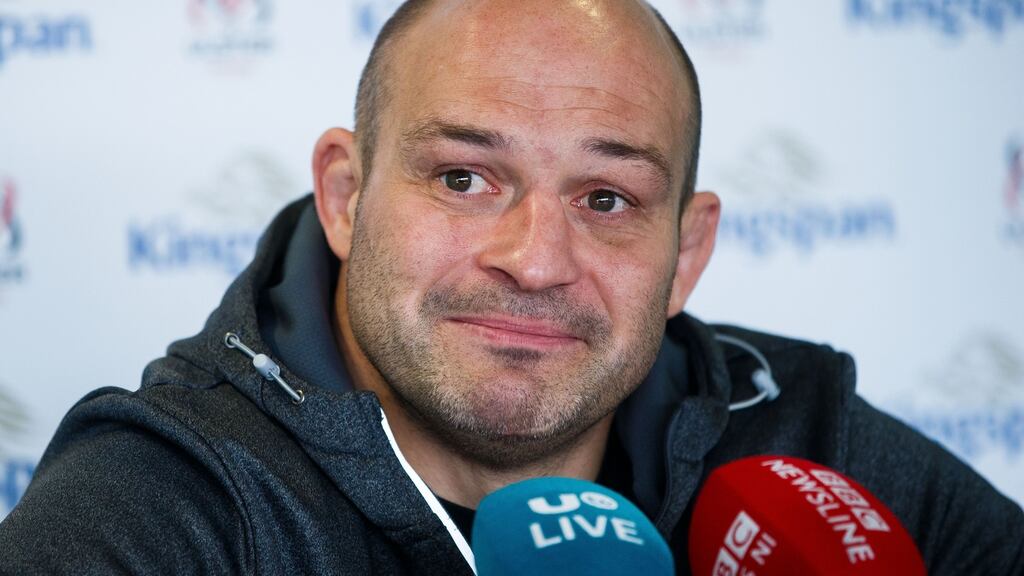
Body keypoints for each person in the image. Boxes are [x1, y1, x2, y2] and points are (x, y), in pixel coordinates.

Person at [1, 0, 1022, 573]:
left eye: (608, 198)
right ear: (346, 198)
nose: (534, 260)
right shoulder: (169, 505)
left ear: (687, 252)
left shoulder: (801, 437)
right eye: (463, 178)